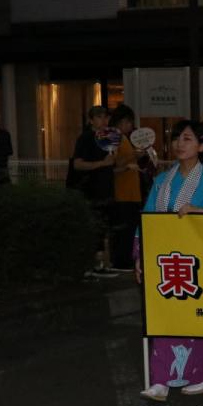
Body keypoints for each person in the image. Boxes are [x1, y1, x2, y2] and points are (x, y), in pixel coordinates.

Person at [135, 120, 203, 401]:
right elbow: (146, 220)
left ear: (202, 146)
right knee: (165, 316)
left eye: (188, 139)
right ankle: (161, 379)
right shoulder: (162, 181)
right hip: (167, 261)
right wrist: (140, 253)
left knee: (197, 318)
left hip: (198, 263)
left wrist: (201, 211)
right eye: (177, 138)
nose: (180, 144)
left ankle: (202, 375)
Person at [69, 105, 118, 277]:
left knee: (102, 228)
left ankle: (100, 264)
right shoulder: (86, 138)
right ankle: (92, 265)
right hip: (91, 190)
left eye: (106, 117)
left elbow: (112, 165)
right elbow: (77, 164)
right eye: (99, 117)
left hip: (106, 189)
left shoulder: (108, 138)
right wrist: (102, 164)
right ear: (91, 120)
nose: (104, 121)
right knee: (94, 227)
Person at [108, 105, 142, 272]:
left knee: (128, 229)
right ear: (123, 121)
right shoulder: (115, 137)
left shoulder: (123, 138)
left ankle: (124, 260)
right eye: (130, 122)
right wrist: (133, 157)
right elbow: (112, 165)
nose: (131, 126)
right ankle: (121, 261)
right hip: (122, 193)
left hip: (130, 192)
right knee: (124, 230)